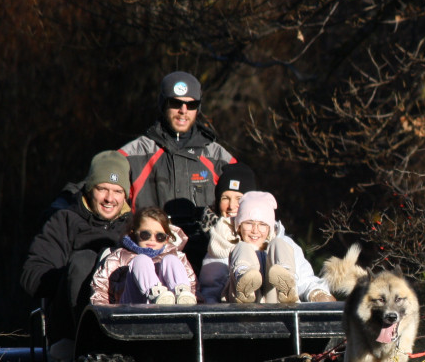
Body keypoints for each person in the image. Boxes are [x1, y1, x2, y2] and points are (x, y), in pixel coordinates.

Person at [21, 151, 133, 341]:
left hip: (125, 327)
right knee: (84, 261)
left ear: (125, 195)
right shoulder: (64, 221)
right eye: (102, 189)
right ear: (89, 189)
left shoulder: (136, 227)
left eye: (117, 191)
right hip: (71, 328)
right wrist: (74, 275)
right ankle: (82, 345)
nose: (109, 198)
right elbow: (32, 276)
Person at [118, 71, 240, 240]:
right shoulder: (134, 154)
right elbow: (98, 188)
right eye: (176, 103)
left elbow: (247, 202)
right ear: (163, 104)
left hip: (206, 252)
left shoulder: (218, 157)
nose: (183, 111)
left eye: (191, 105)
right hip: (152, 248)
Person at [199, 175, 335, 303]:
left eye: (262, 225)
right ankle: (244, 278)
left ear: (270, 228)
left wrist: (317, 293)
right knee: (242, 248)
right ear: (238, 226)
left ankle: (285, 278)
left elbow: (305, 279)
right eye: (248, 223)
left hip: (276, 301)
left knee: (279, 245)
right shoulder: (223, 244)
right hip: (238, 302)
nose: (255, 230)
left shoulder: (285, 244)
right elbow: (210, 288)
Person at [89, 207, 198, 306]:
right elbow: (101, 288)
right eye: (145, 235)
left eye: (159, 236)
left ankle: (182, 295)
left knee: (171, 259)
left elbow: (193, 285)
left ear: (166, 239)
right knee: (141, 260)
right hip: (131, 308)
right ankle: (155, 293)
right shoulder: (119, 256)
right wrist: (105, 315)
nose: (152, 239)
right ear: (134, 233)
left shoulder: (178, 256)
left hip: (171, 307)